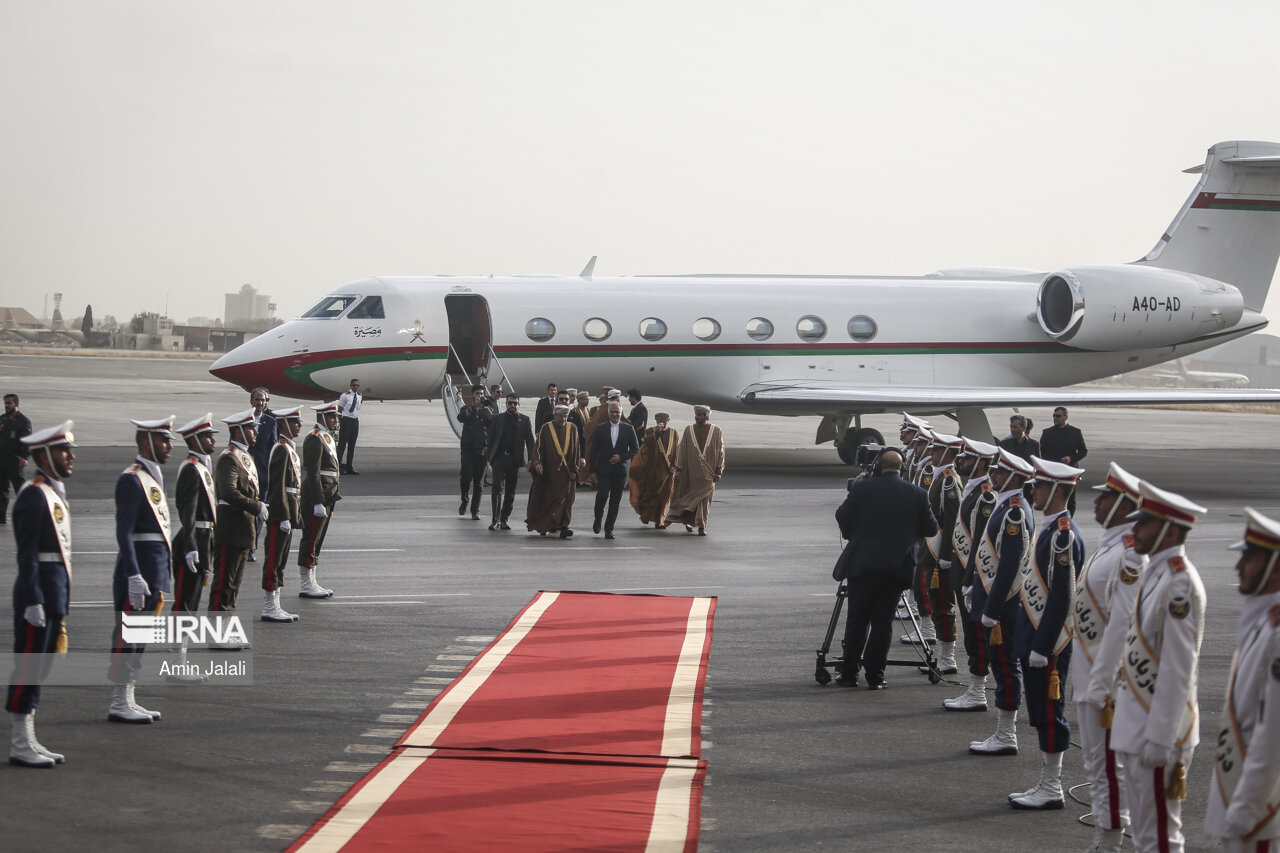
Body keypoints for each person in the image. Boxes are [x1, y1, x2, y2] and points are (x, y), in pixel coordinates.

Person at [1111, 480, 1207, 853]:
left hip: (1157, 731)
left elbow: (1179, 667)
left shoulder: (1179, 582)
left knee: (1161, 838)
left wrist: (1162, 737)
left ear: (1168, 529)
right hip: (1139, 722)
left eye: (1144, 523)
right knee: (1146, 835)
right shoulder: (1159, 572)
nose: (1134, 529)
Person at [1006, 456, 1086, 810]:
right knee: (1040, 711)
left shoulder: (1063, 536)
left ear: (1055, 489)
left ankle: (1051, 786)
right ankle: (1046, 782)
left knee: (1050, 713)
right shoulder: (1051, 528)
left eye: (1039, 485)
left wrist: (1042, 645)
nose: (1033, 490)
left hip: (1048, 643)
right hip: (1036, 638)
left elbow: (1062, 597)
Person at [1073, 462, 1144, 851]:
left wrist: (1101, 682)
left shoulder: (1130, 554)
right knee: (1097, 767)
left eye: (1105, 497)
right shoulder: (1112, 543)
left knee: (1107, 770)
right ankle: (1105, 838)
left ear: (1123, 505)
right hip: (1091, 672)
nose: (1096, 502)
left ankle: (1110, 842)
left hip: (1107, 682)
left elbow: (1123, 623)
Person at [1205, 507, 1280, 853]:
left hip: (1259, 810)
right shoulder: (1263, 623)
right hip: (1243, 795)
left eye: (1249, 558)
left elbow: (1273, 732)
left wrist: (1247, 806)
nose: (1238, 566)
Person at [832, 448, 938, 689]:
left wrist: (853, 534)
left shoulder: (863, 488)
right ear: (901, 468)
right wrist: (908, 535)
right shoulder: (917, 494)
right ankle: (875, 677)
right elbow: (931, 529)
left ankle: (849, 673)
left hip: (863, 566)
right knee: (883, 623)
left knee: (857, 621)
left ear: (879, 466)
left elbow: (842, 515)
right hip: (895, 569)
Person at [6, 420, 74, 767]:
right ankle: (19, 741)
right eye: (64, 451)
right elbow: (27, 553)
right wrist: (33, 598)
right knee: (29, 668)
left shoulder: (51, 491)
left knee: (40, 668)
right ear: (46, 455)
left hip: (52, 592)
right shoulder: (34, 495)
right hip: (39, 596)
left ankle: (28, 736)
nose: (70, 457)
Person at [107, 416, 175, 725]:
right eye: (163, 440)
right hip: (138, 573)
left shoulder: (152, 476)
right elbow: (124, 532)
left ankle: (129, 697)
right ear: (145, 442)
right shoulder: (132, 478)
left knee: (140, 637)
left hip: (154, 570)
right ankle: (119, 700)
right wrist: (133, 573)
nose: (169, 446)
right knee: (127, 637)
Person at [969, 449, 1036, 756]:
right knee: (1003, 666)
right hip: (999, 603)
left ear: (1013, 476)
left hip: (1005, 608)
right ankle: (1003, 731)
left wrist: (991, 609)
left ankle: (1006, 733)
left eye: (998, 472)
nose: (993, 476)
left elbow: (1009, 565)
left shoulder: (1014, 511)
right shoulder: (1008, 505)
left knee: (1006, 668)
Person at [943, 436, 1000, 711]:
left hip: (973, 577)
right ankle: (975, 688)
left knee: (977, 636)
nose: (960, 461)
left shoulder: (986, 496)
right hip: (963, 573)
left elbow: (979, 542)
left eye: (966, 458)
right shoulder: (973, 488)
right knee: (970, 633)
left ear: (980, 463)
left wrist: (969, 581)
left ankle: (978, 691)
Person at [169, 414, 219, 680]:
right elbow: (186, 511)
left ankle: (182, 658)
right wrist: (190, 547)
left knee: (192, 602)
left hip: (203, 541)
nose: (213, 440)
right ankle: (178, 661)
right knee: (184, 604)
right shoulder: (191, 469)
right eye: (209, 436)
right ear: (196, 440)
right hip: (193, 544)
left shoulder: (202, 466)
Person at [209, 409, 266, 624]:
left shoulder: (242, 456)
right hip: (231, 526)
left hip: (242, 527)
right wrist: (256, 506)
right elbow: (228, 492)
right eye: (252, 428)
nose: (255, 432)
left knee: (233, 583)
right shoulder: (229, 458)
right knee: (224, 582)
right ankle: (217, 631)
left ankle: (226, 628)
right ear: (240, 431)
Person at [919, 432, 965, 673]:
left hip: (940, 556)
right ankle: (942, 654)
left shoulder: (948, 480)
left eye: (936, 450)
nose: (931, 453)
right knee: (937, 602)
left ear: (948, 453)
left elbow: (951, 521)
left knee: (943, 604)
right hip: (932, 551)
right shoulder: (940, 476)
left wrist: (946, 556)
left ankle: (948, 659)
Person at [261, 406, 303, 623]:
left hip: (287, 511)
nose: (299, 426)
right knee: (274, 560)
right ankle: (270, 605)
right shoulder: (281, 449)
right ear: (284, 424)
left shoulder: (289, 448)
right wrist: (284, 515)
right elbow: (278, 486)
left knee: (281, 560)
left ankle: (276, 603)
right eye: (295, 422)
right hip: (279, 513)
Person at [297, 402, 341, 597]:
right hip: (319, 494)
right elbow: (313, 472)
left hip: (328, 494)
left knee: (318, 540)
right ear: (321, 417)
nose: (336, 420)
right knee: (311, 538)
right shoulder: (314, 438)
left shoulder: (327, 437)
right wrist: (317, 501)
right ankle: (306, 583)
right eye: (332, 416)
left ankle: (312, 580)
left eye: (336, 416)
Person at [666, 405, 725, 535]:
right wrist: (679, 469)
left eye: (699, 415)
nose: (696, 417)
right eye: (696, 414)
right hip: (691, 471)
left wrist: (719, 470)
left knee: (705, 500)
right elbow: (682, 450)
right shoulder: (689, 430)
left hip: (708, 474)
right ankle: (687, 521)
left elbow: (721, 452)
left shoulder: (716, 431)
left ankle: (702, 526)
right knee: (692, 497)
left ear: (706, 416)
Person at [526, 404, 582, 538]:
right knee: (550, 499)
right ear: (554, 415)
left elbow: (577, 450)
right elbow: (538, 449)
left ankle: (564, 526)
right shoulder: (546, 428)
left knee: (567, 499)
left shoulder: (572, 428)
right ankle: (545, 525)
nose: (563, 419)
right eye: (560, 416)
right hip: (550, 473)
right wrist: (538, 463)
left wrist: (575, 469)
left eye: (565, 416)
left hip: (567, 472)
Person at [484, 394, 536, 531]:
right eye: (510, 403)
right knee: (496, 488)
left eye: (515, 403)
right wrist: (490, 458)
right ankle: (495, 520)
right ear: (506, 404)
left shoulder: (524, 420)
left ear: (518, 405)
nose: (512, 406)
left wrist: (530, 459)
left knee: (510, 491)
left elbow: (530, 442)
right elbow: (490, 439)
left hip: (514, 460)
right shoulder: (498, 419)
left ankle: (504, 519)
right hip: (499, 458)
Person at [588, 401, 639, 539]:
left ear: (621, 413)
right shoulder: (601, 428)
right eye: (613, 412)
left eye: (617, 412)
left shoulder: (628, 429)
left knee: (615, 502)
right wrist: (592, 471)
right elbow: (593, 451)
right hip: (603, 470)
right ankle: (598, 518)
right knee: (602, 495)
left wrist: (621, 457)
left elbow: (635, 449)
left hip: (620, 471)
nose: (615, 414)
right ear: (608, 413)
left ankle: (609, 529)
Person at [628, 411, 680, 527]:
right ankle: (646, 515)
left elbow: (677, 451)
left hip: (668, 471)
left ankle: (659, 520)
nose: (663, 424)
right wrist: (657, 433)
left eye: (665, 422)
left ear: (668, 421)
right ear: (656, 422)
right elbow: (646, 443)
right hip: (653, 470)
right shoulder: (650, 431)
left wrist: (674, 466)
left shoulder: (674, 433)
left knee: (665, 496)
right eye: (660, 422)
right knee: (651, 495)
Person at [1038, 407, 1088, 515]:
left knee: (1070, 499)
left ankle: (1068, 521)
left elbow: (1083, 451)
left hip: (1069, 472)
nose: (1055, 418)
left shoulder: (1075, 433)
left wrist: (1071, 459)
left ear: (1066, 417)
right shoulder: (1047, 433)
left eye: (1058, 416)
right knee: (1052, 498)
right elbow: (1042, 453)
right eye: (1054, 416)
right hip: (1052, 472)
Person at [248, 387, 276, 562]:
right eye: (257, 400)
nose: (260, 403)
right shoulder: (243, 420)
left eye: (264, 400)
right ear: (251, 401)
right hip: (246, 474)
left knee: (259, 511)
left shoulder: (271, 422)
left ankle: (252, 546)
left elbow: (273, 449)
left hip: (263, 475)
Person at [457, 386, 492, 520]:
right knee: (466, 478)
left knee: (479, 482)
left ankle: (475, 510)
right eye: (477, 394)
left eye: (482, 394)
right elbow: (461, 418)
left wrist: (485, 407)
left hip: (482, 449)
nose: (480, 396)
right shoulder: (466, 408)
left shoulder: (486, 410)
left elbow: (493, 421)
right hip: (468, 449)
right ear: (472, 395)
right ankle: (464, 500)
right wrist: (474, 407)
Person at [1, 392, 32, 524]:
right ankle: (1, 517)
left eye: (9, 403)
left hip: (15, 461)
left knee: (20, 489)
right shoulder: (2, 419)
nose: (7, 406)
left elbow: (27, 441)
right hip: (2, 460)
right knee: (2, 491)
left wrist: (25, 457)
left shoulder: (23, 422)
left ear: (16, 404)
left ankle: (27, 517)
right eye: (5, 403)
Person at [336, 378, 362, 475]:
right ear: (351, 386)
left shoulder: (359, 396)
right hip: (346, 420)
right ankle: (338, 466)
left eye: (357, 385)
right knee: (342, 444)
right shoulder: (345, 396)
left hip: (355, 421)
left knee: (352, 445)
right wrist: (340, 421)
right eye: (354, 385)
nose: (356, 387)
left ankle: (349, 466)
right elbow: (339, 409)